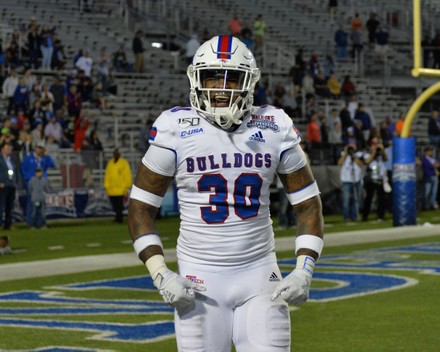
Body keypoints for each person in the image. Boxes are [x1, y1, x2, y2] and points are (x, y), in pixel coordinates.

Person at [127, 35, 324, 351]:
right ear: (196, 79)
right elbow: (140, 208)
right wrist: (160, 273)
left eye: (232, 77)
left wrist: (304, 271)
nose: (220, 87)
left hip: (260, 275)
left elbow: (308, 205)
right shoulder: (174, 126)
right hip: (199, 280)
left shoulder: (274, 124)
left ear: (249, 82)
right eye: (212, 76)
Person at [104, 148, 132, 223]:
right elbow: (107, 175)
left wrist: (126, 186)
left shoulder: (123, 163)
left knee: (119, 205)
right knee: (115, 205)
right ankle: (117, 217)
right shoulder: (110, 163)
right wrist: (106, 186)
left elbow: (127, 175)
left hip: (121, 188)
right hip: (111, 189)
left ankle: (120, 218)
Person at [362, 143, 388, 221]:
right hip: (371, 179)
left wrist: (382, 150)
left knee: (381, 199)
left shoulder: (381, 155)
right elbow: (366, 162)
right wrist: (374, 153)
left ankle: (381, 216)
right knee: (369, 199)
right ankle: (365, 216)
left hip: (380, 179)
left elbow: (386, 158)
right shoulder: (367, 154)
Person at [337, 144, 363, 222]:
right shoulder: (343, 154)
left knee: (356, 200)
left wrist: (353, 155)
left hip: (356, 180)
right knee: (346, 201)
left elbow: (361, 165)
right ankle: (347, 217)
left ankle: (355, 217)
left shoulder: (358, 155)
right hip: (346, 180)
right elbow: (339, 163)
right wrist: (345, 152)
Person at [0, 142, 18, 230]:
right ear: (2, 149)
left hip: (11, 185)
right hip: (2, 186)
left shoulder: (11, 160)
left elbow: (14, 171)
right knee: (1, 206)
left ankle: (8, 224)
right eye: (7, 148)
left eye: (10, 148)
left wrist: (15, 181)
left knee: (9, 206)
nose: (9, 150)